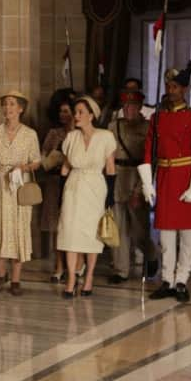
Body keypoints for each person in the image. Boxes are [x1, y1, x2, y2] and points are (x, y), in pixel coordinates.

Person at [138, 62, 191, 303]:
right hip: (166, 178)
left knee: (187, 237)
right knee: (166, 236)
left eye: (176, 87)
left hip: (187, 178)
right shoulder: (157, 119)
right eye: (169, 86)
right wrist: (148, 184)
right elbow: (149, 151)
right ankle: (167, 280)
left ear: (185, 90)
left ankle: (182, 280)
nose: (171, 90)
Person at [0, 90, 41, 296]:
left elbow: (37, 161)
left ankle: (16, 279)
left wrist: (23, 168)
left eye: (12, 104)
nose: (8, 108)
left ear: (21, 108)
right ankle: (0, 275)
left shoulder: (30, 134)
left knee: (18, 229)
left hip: (19, 186)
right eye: (5, 104)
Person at [57, 96, 117, 298]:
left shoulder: (106, 137)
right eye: (75, 112)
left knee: (91, 234)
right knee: (70, 232)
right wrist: (60, 193)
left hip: (95, 188)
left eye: (81, 112)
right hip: (73, 187)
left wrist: (110, 197)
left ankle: (89, 276)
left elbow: (110, 168)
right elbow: (65, 167)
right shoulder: (71, 137)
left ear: (91, 115)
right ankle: (72, 279)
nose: (76, 116)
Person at [107, 90, 158, 284]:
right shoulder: (113, 126)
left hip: (137, 176)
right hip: (117, 177)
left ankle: (151, 254)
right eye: (126, 106)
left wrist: (139, 190)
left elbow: (149, 161)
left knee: (138, 230)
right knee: (118, 228)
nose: (129, 109)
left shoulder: (146, 128)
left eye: (133, 105)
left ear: (139, 107)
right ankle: (121, 270)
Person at [41, 96, 75, 283]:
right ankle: (59, 265)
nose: (64, 115)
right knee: (55, 227)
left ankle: (76, 266)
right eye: (61, 111)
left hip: (72, 181)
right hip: (54, 182)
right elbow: (44, 156)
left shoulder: (78, 134)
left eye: (67, 111)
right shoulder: (54, 133)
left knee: (71, 226)